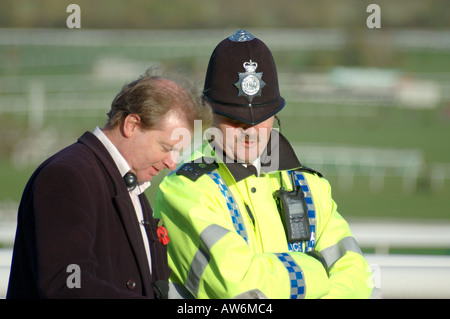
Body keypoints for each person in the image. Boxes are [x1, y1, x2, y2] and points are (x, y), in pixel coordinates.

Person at [154, 30, 373, 299]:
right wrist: (317, 269)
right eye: (236, 119)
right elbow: (240, 289)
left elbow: (357, 276)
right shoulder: (183, 190)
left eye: (262, 117)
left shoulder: (312, 185)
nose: (251, 131)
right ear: (209, 115)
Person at [7, 70, 212, 299]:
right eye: (167, 148)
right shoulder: (67, 176)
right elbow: (67, 285)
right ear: (132, 124)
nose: (172, 163)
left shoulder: (128, 181)